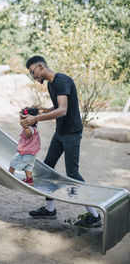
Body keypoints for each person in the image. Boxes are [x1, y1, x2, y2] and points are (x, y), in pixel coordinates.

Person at [20, 55, 102, 227]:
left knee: (73, 173)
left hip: (72, 132)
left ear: (41, 66)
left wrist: (37, 119)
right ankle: (50, 210)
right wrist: (42, 109)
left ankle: (94, 216)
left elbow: (63, 110)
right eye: (31, 74)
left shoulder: (62, 81)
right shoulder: (51, 84)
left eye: (33, 72)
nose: (33, 77)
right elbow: (57, 107)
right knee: (47, 168)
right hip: (60, 133)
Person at [9, 107, 41, 185]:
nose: (21, 120)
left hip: (25, 153)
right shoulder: (33, 128)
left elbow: (29, 134)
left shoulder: (31, 129)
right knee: (28, 167)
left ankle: (9, 175)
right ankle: (29, 180)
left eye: (23, 118)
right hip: (31, 154)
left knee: (14, 162)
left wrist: (25, 127)